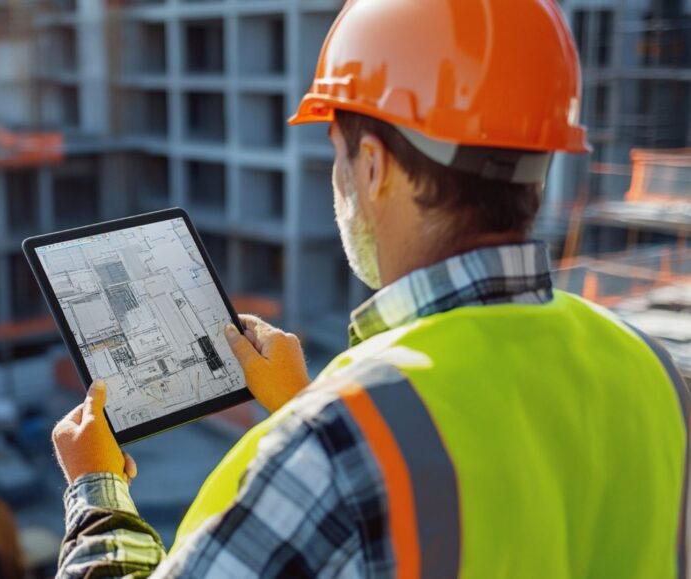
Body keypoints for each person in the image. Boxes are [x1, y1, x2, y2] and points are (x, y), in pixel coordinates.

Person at [51, 0, 690, 576]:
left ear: (377, 166)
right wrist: (304, 401)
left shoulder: (339, 442)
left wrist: (96, 489)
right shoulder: (654, 371)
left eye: (339, 152)